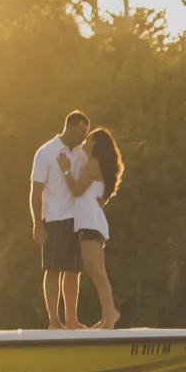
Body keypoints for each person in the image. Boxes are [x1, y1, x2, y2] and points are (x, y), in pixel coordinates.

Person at [29, 111, 91, 329]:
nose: (84, 137)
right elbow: (36, 192)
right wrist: (37, 224)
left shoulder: (82, 154)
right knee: (53, 269)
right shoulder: (45, 152)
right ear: (70, 127)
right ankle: (54, 321)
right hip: (54, 219)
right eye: (82, 132)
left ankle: (71, 321)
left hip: (77, 218)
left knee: (73, 271)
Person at [56, 126, 123, 328]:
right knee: (98, 271)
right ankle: (108, 316)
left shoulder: (94, 164)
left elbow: (77, 190)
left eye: (88, 139)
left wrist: (65, 169)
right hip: (94, 221)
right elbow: (98, 200)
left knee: (95, 271)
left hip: (89, 224)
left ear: (96, 144)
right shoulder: (99, 166)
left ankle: (110, 317)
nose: (84, 142)